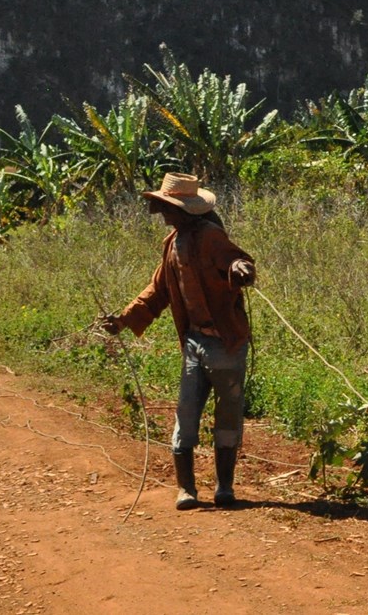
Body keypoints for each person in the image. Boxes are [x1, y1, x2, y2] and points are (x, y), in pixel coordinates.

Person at [99, 173, 257, 510]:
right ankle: (187, 490)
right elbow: (157, 292)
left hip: (225, 344)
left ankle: (224, 489)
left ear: (186, 211)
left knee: (227, 416)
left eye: (168, 209)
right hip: (194, 343)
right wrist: (125, 320)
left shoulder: (212, 239)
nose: (163, 215)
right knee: (186, 414)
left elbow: (237, 260)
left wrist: (242, 269)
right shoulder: (172, 244)